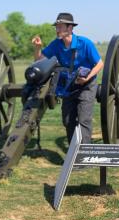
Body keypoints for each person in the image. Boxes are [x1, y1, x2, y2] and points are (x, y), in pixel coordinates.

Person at [32, 12, 103, 144]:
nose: (57, 30)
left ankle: (83, 155)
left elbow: (99, 64)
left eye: (60, 27)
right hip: (69, 86)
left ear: (70, 28)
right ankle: (73, 151)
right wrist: (38, 48)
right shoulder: (56, 44)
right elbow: (39, 60)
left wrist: (87, 78)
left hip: (86, 85)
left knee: (84, 120)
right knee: (68, 120)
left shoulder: (85, 43)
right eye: (56, 27)